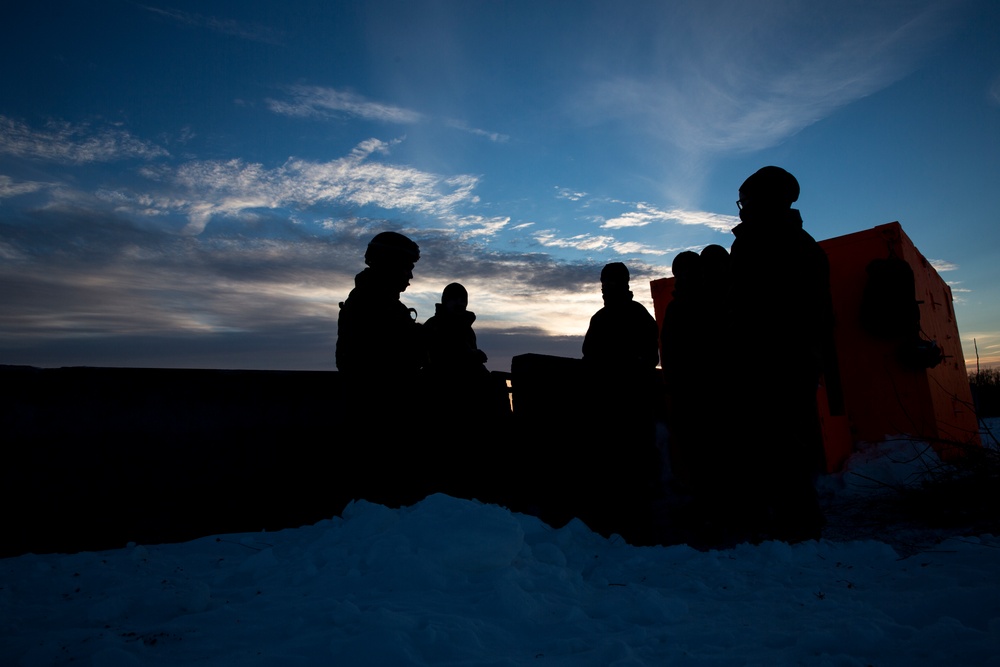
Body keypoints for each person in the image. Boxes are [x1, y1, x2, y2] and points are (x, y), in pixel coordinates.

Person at [725, 166, 834, 544]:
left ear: (761, 201)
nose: (741, 209)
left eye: (746, 201)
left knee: (778, 441)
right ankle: (789, 518)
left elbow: (751, 308)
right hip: (787, 359)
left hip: (773, 360)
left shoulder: (764, 243)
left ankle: (795, 523)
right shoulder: (801, 244)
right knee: (779, 440)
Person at [335, 231, 428, 506]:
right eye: (407, 267)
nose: (410, 276)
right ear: (390, 264)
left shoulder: (380, 303)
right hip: (381, 424)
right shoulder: (369, 305)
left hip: (387, 419)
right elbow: (373, 364)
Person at [579, 262, 663, 544]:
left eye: (611, 282)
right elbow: (588, 358)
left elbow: (650, 358)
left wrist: (626, 367)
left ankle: (639, 529)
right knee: (611, 470)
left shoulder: (638, 317)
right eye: (604, 282)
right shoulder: (600, 318)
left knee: (635, 471)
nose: (606, 287)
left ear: (624, 283)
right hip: (607, 409)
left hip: (632, 408)